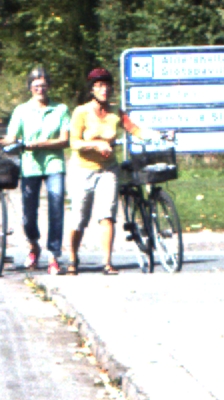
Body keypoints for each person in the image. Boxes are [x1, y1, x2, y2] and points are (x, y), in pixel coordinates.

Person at [65, 66, 156, 275]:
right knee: (79, 218)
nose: (104, 90)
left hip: (108, 169)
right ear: (92, 89)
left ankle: (107, 262)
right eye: (99, 86)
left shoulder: (115, 113)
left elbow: (134, 129)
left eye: (106, 85)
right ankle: (72, 257)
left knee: (107, 215)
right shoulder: (81, 112)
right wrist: (96, 145)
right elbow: (74, 142)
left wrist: (156, 135)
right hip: (83, 169)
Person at [0, 67, 70, 274]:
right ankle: (33, 244)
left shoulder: (60, 109)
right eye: (36, 86)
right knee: (28, 213)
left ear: (48, 87)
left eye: (43, 85)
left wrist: (39, 144)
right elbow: (12, 137)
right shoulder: (22, 110)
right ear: (30, 88)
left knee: (56, 207)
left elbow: (64, 140)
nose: (40, 89)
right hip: (30, 166)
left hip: (54, 164)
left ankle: (54, 255)